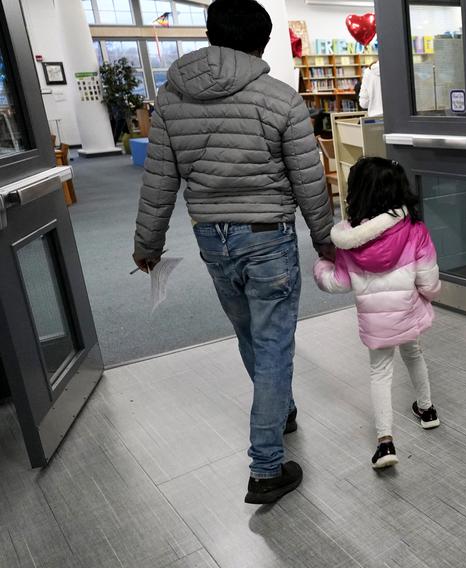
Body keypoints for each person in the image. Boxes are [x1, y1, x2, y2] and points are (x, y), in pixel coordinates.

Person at [131, 0, 334, 505]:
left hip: (211, 238)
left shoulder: (171, 100)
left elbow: (159, 180)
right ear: (262, 43)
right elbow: (310, 183)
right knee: (272, 343)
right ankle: (266, 467)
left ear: (209, 33)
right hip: (267, 236)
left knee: (249, 332)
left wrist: (147, 244)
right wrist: (327, 240)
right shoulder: (281, 99)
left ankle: (280, 407)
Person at [314, 157, 441, 469]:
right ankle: (427, 411)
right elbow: (429, 281)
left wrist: (321, 267)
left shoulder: (349, 241)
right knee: (414, 355)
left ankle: (385, 443)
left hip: (377, 323)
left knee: (380, 374)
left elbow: (338, 283)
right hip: (408, 312)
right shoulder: (415, 230)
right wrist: (426, 296)